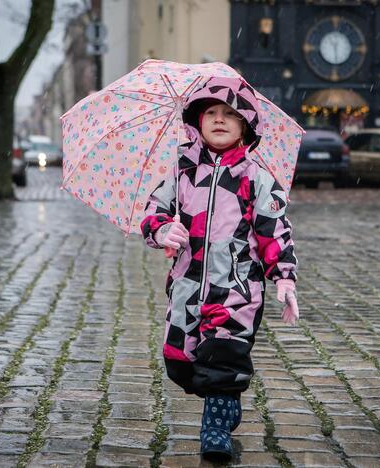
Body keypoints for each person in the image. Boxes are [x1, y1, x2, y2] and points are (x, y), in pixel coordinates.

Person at [140, 77, 299, 461]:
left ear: (245, 125)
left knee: (223, 356)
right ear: (197, 121)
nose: (220, 119)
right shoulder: (182, 171)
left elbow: (274, 230)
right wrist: (163, 229)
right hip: (188, 284)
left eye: (231, 113)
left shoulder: (255, 178)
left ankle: (216, 425)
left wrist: (284, 277)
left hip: (237, 287)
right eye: (211, 112)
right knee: (181, 361)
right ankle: (222, 399)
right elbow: (153, 211)